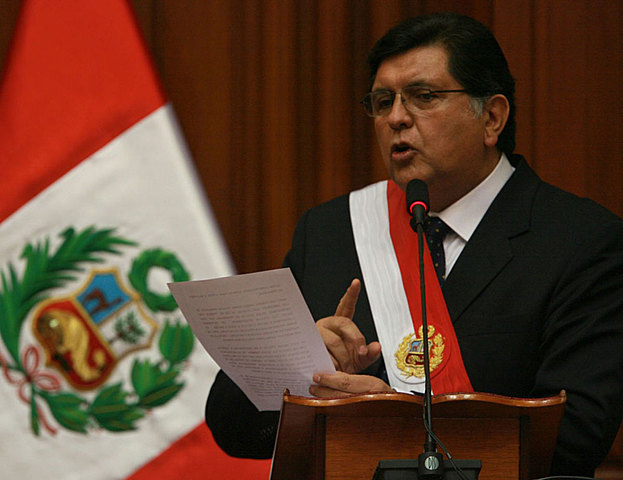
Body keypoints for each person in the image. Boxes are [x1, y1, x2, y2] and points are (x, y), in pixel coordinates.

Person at [206, 12, 623, 476]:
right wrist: (302, 373)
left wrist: (388, 423)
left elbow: (576, 437)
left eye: (424, 97)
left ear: (492, 117)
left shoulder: (581, 241)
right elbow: (231, 427)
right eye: (383, 102)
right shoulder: (330, 231)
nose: (396, 118)